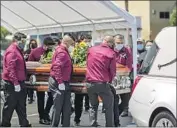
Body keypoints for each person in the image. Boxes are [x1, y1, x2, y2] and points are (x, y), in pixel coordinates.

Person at [1, 32, 31, 127]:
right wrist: (15, 83)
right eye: (23, 40)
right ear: (16, 40)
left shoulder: (17, 50)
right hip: (12, 83)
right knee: (10, 105)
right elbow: (11, 69)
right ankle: (5, 124)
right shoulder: (13, 51)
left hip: (19, 82)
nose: (24, 42)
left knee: (21, 105)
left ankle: (24, 123)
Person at [86, 35, 116, 127]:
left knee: (93, 105)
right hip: (102, 83)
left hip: (89, 83)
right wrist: (110, 81)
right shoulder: (111, 53)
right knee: (108, 106)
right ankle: (109, 125)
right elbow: (112, 71)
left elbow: (87, 64)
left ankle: (93, 124)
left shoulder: (91, 50)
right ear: (110, 43)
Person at [48, 34, 75, 127]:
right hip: (59, 82)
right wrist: (60, 82)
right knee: (58, 107)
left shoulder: (63, 51)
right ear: (67, 42)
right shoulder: (62, 52)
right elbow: (57, 67)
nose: (72, 45)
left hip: (64, 82)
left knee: (67, 107)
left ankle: (66, 125)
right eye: (71, 43)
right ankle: (54, 125)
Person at [28, 37, 55, 125]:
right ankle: (42, 117)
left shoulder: (54, 52)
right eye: (49, 47)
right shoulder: (35, 52)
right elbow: (30, 64)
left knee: (52, 95)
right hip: (39, 78)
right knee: (40, 97)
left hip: (50, 77)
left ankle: (46, 113)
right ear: (44, 45)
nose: (50, 49)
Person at [73, 34, 91, 126]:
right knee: (82, 100)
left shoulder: (77, 49)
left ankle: (77, 119)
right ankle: (78, 118)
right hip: (83, 77)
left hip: (81, 77)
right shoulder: (83, 48)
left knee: (78, 100)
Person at [114, 34, 133, 117]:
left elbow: (129, 64)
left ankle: (123, 110)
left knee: (125, 97)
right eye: (118, 42)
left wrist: (126, 72)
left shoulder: (127, 50)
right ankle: (114, 113)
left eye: (121, 42)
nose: (119, 44)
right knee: (114, 97)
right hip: (113, 77)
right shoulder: (111, 51)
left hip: (124, 76)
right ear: (114, 42)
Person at [24, 39, 38, 104]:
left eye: (34, 44)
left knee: (31, 83)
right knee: (27, 84)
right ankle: (28, 97)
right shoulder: (27, 51)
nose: (32, 45)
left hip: (34, 70)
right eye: (31, 43)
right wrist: (25, 57)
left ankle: (31, 97)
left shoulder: (37, 51)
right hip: (27, 70)